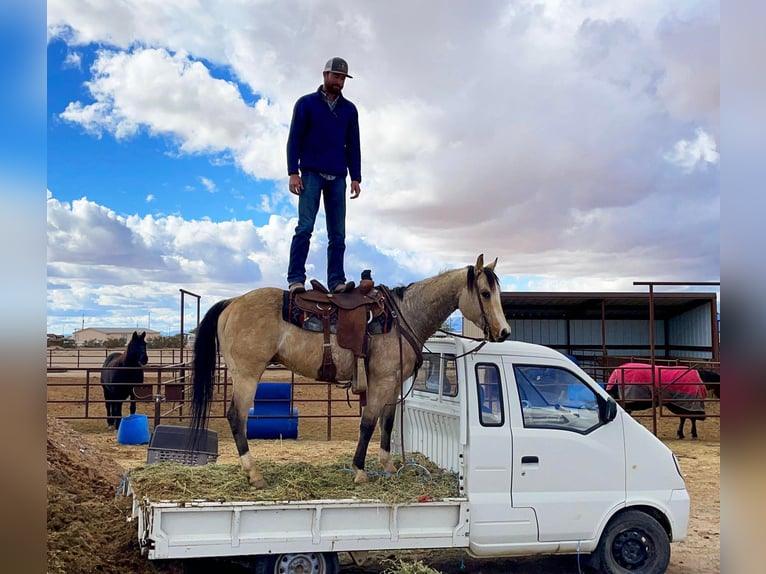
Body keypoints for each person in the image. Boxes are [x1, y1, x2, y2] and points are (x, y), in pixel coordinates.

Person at [286, 56, 362, 294]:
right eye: (336, 76)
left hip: (338, 177)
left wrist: (356, 177)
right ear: (325, 75)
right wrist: (292, 172)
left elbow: (353, 145)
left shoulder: (349, 110)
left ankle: (336, 281)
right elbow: (294, 139)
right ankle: (296, 278)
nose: (339, 81)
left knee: (338, 233)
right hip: (311, 173)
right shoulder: (306, 104)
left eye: (342, 78)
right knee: (305, 227)